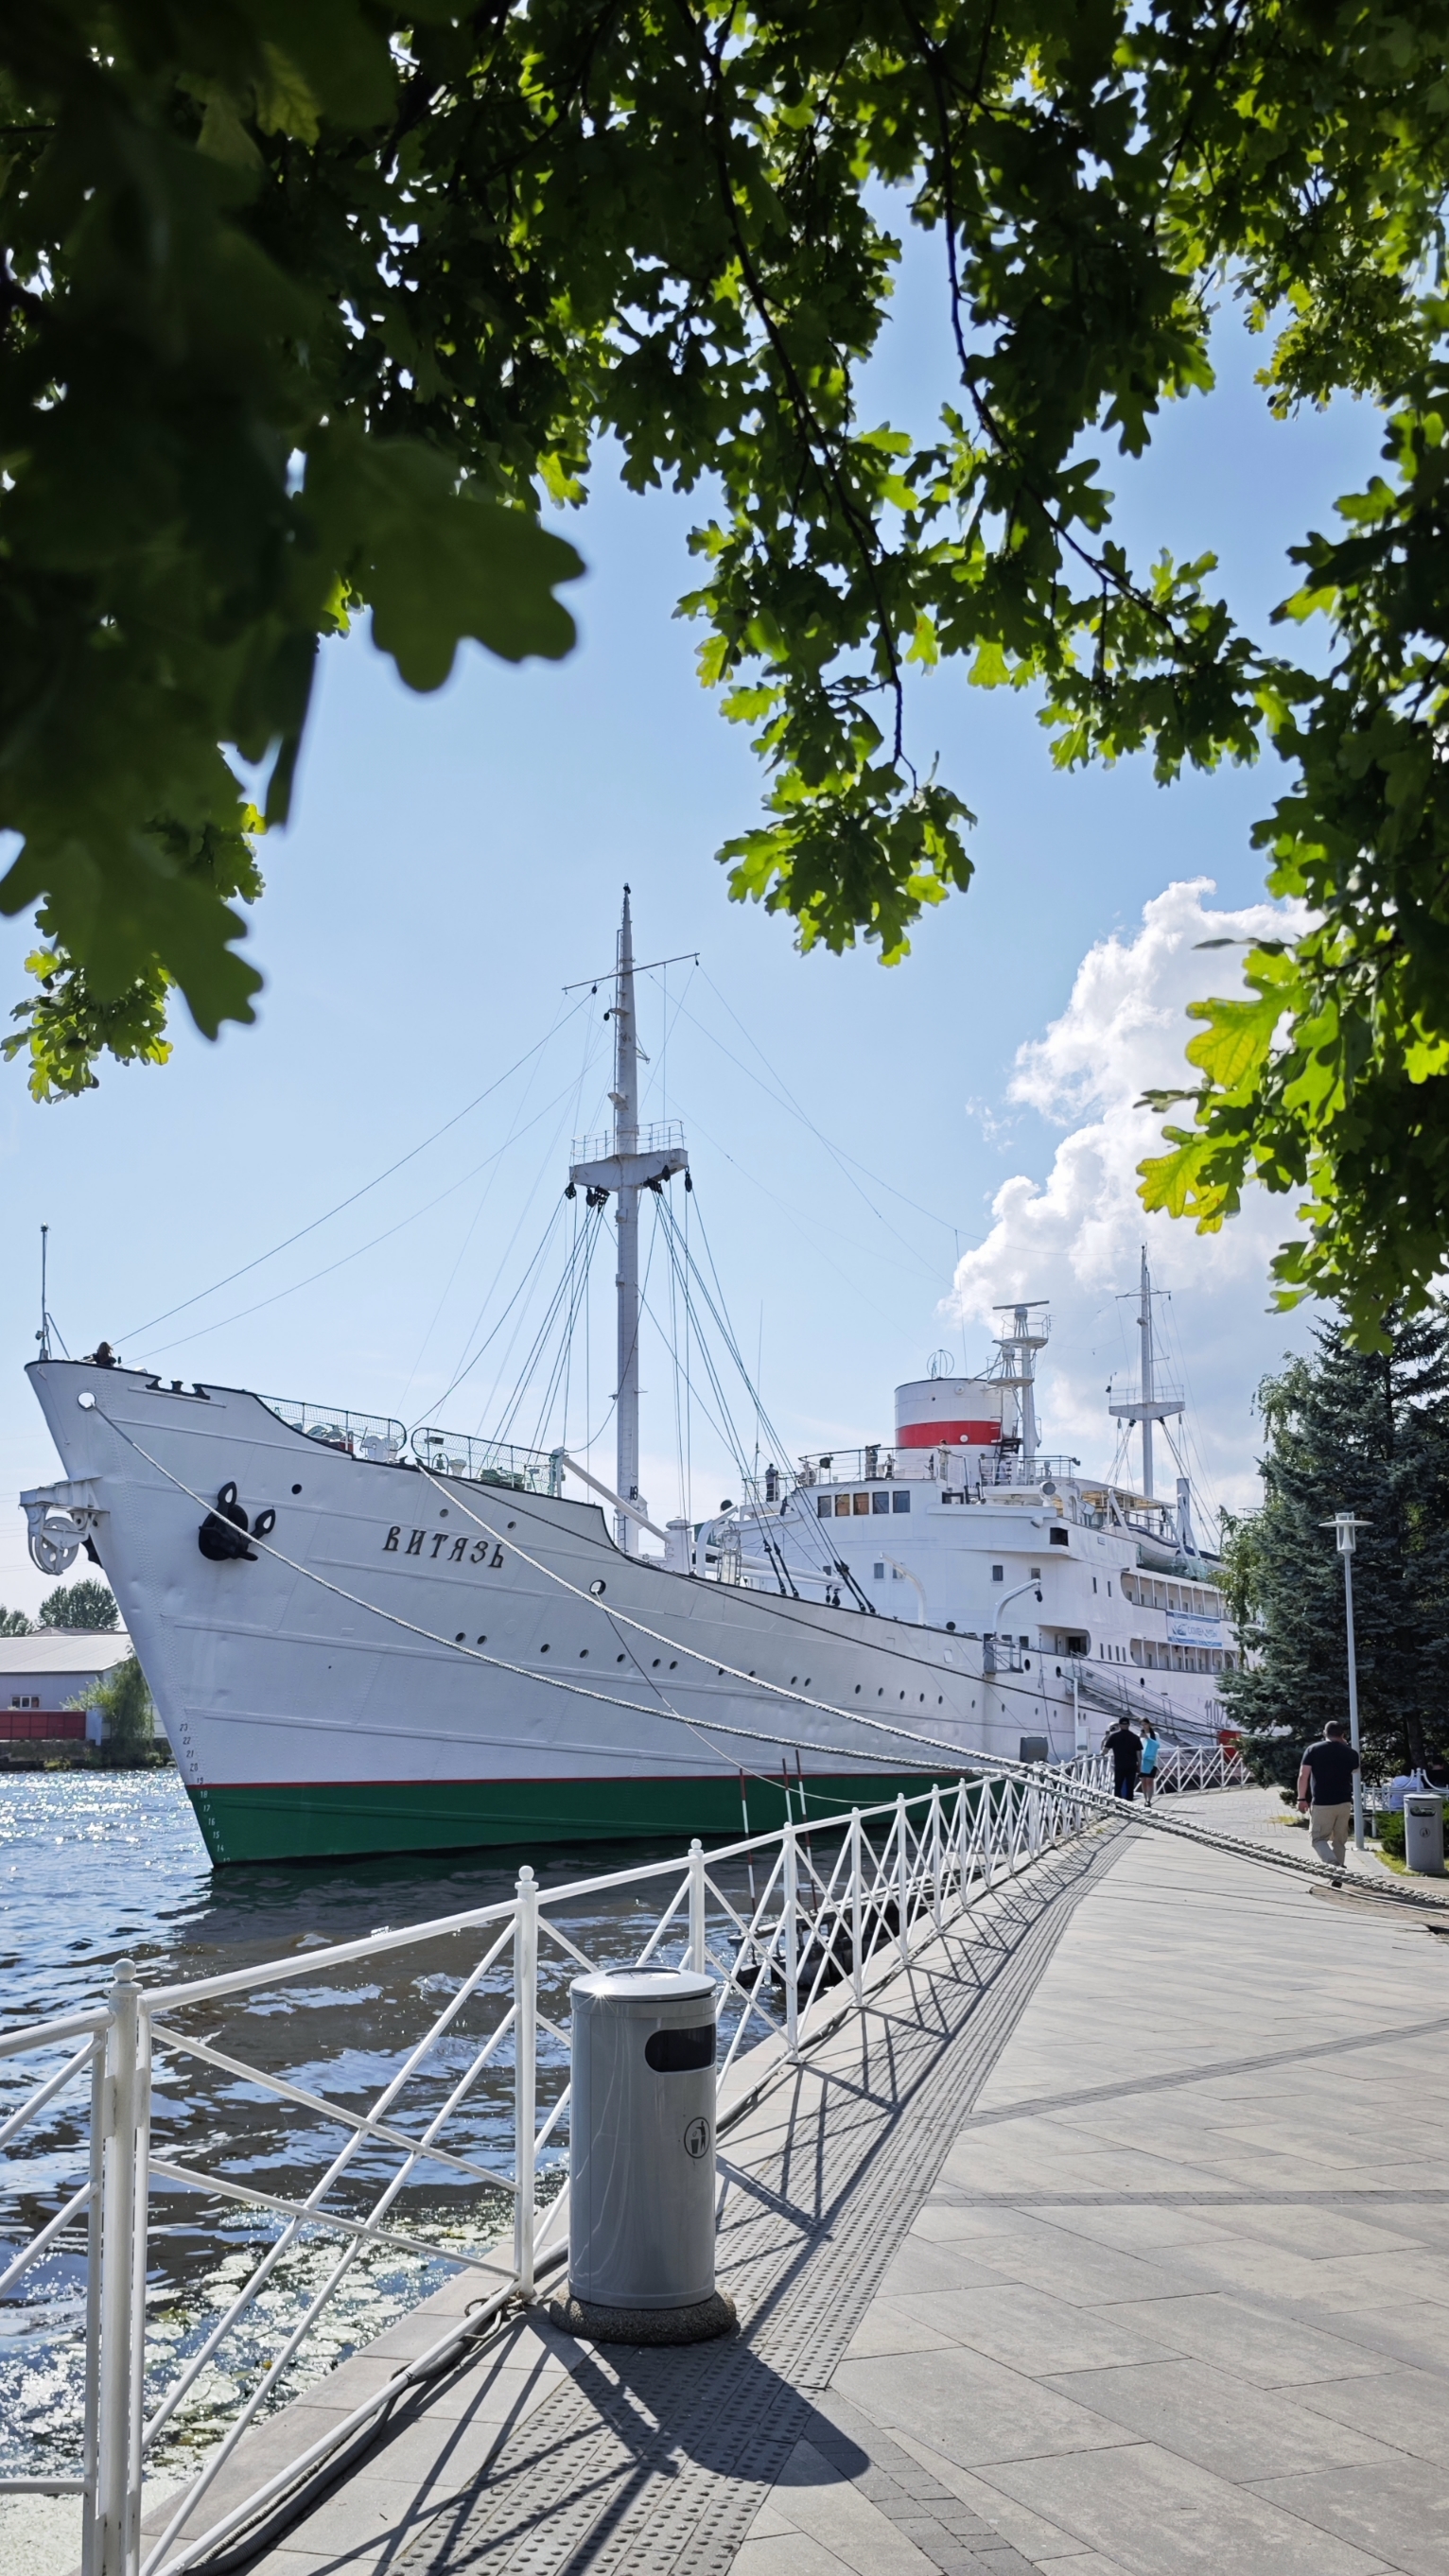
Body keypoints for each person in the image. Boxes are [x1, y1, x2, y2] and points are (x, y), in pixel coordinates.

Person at [1298, 1719, 1360, 1868]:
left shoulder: (1313, 1749)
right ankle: (1338, 1877)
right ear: (1343, 1734)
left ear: (1324, 1733)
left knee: (1318, 1839)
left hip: (1322, 1803)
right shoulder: (1351, 1753)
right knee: (1339, 1841)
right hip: (1344, 1802)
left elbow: (1303, 1775)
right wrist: (1344, 1746)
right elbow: (1355, 1770)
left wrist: (1301, 1798)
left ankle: (1333, 1864)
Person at [1103, 1719, 1141, 1801]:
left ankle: (1119, 1805)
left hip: (1119, 1765)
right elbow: (1139, 1754)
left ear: (1119, 1725)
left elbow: (1105, 1750)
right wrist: (1139, 1765)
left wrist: (1102, 1754)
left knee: (1118, 1785)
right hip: (1132, 1765)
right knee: (1130, 1786)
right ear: (1129, 1725)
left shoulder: (1114, 1737)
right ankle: (1129, 1804)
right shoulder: (1135, 1737)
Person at [1139, 1723, 1161, 1805]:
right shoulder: (1139, 1736)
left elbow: (1157, 1745)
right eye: (1142, 1724)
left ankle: (1149, 1800)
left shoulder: (1155, 1735)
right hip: (1142, 1761)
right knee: (1143, 1781)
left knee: (1149, 1781)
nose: (1143, 1726)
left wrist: (1147, 1738)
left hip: (1152, 1761)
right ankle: (1145, 1799)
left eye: (1145, 1724)